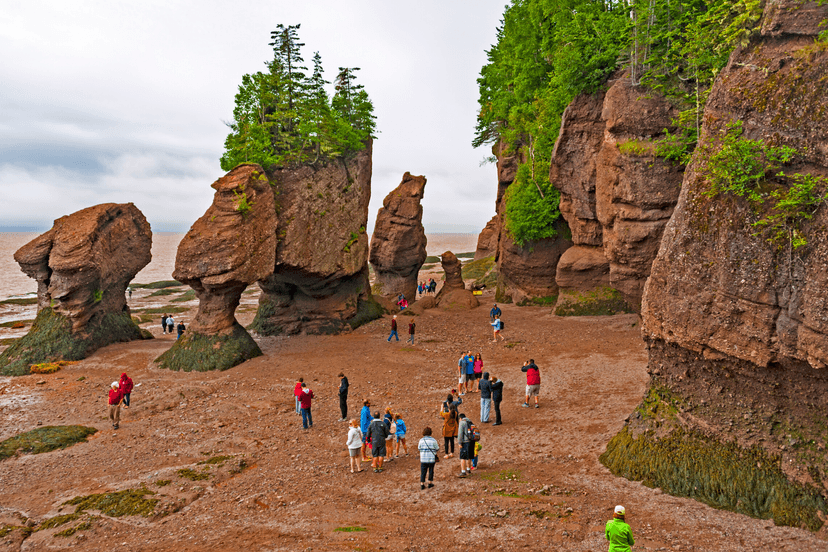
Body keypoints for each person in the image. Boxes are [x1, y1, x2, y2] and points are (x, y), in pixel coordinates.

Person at [457, 413, 473, 477]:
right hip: (471, 441)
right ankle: (468, 469)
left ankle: (463, 472)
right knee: (469, 456)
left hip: (465, 442)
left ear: (460, 418)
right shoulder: (470, 421)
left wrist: (459, 443)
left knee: (463, 457)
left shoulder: (462, 422)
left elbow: (460, 433)